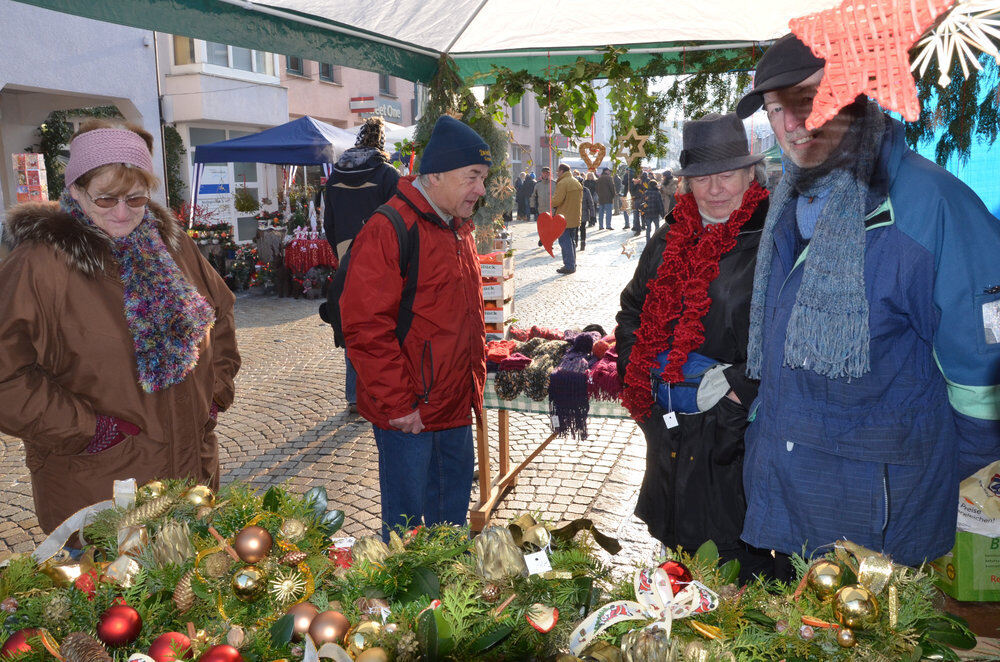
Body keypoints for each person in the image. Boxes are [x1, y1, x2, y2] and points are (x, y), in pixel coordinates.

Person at [736, 34, 1000, 570]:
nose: (791, 124)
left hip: (878, 520)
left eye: (807, 100)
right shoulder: (791, 199)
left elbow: (984, 374)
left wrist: (939, 481)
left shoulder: (929, 206)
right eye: (775, 108)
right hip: (795, 493)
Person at [0, 120, 240, 535]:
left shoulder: (173, 246)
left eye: (136, 198)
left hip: (192, 472)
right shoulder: (39, 265)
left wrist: (214, 394)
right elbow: (6, 375)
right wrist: (87, 430)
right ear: (76, 190)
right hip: (99, 483)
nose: (123, 212)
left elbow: (219, 314)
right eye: (106, 198)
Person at [616, 112, 771, 582]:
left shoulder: (772, 237)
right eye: (702, 178)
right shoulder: (668, 236)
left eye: (727, 175)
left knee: (734, 569)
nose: (715, 189)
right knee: (678, 560)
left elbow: (791, 332)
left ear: (750, 174)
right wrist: (640, 377)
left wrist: (737, 392)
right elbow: (631, 311)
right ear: (686, 183)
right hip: (670, 428)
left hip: (735, 436)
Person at [340, 115, 489, 541]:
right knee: (407, 536)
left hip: (454, 407)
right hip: (410, 415)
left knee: (450, 529)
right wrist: (399, 405)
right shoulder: (390, 228)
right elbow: (366, 327)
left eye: (483, 177)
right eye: (472, 177)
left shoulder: (458, 227)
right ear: (436, 175)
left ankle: (449, 586)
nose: (481, 189)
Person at [324, 116, 400, 415]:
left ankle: (354, 394)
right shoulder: (387, 175)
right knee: (383, 322)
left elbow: (329, 222)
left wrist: (342, 253)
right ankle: (379, 393)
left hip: (346, 253)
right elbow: (398, 218)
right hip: (381, 254)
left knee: (352, 321)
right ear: (381, 141)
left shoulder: (335, 176)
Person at [551, 163, 583, 274]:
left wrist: (551, 201)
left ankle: (569, 266)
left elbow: (557, 201)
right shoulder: (576, 182)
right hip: (574, 216)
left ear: (562, 171)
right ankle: (572, 263)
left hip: (564, 217)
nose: (557, 173)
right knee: (571, 241)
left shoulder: (563, 183)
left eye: (558, 171)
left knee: (565, 242)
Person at [579, 182, 596, 251]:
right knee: (576, 229)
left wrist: (592, 215)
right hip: (575, 213)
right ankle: (576, 242)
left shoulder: (586, 190)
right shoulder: (573, 190)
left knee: (582, 228)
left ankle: (582, 242)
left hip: (583, 212)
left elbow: (590, 203)